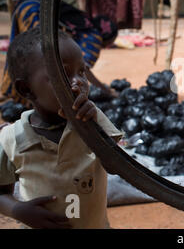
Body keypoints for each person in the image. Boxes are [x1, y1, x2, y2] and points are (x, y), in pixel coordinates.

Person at [0, 27, 122, 228]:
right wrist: (19, 210)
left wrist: (91, 127)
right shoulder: (11, 138)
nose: (78, 83)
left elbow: (116, 165)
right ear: (26, 89)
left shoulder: (93, 121)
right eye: (62, 74)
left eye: (81, 72)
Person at [0, 0, 118, 106]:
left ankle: (19, 96)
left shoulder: (86, 24)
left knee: (22, 54)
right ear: (108, 36)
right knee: (36, 59)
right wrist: (104, 89)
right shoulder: (94, 36)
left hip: (25, 6)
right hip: (35, 11)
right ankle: (30, 100)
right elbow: (83, 67)